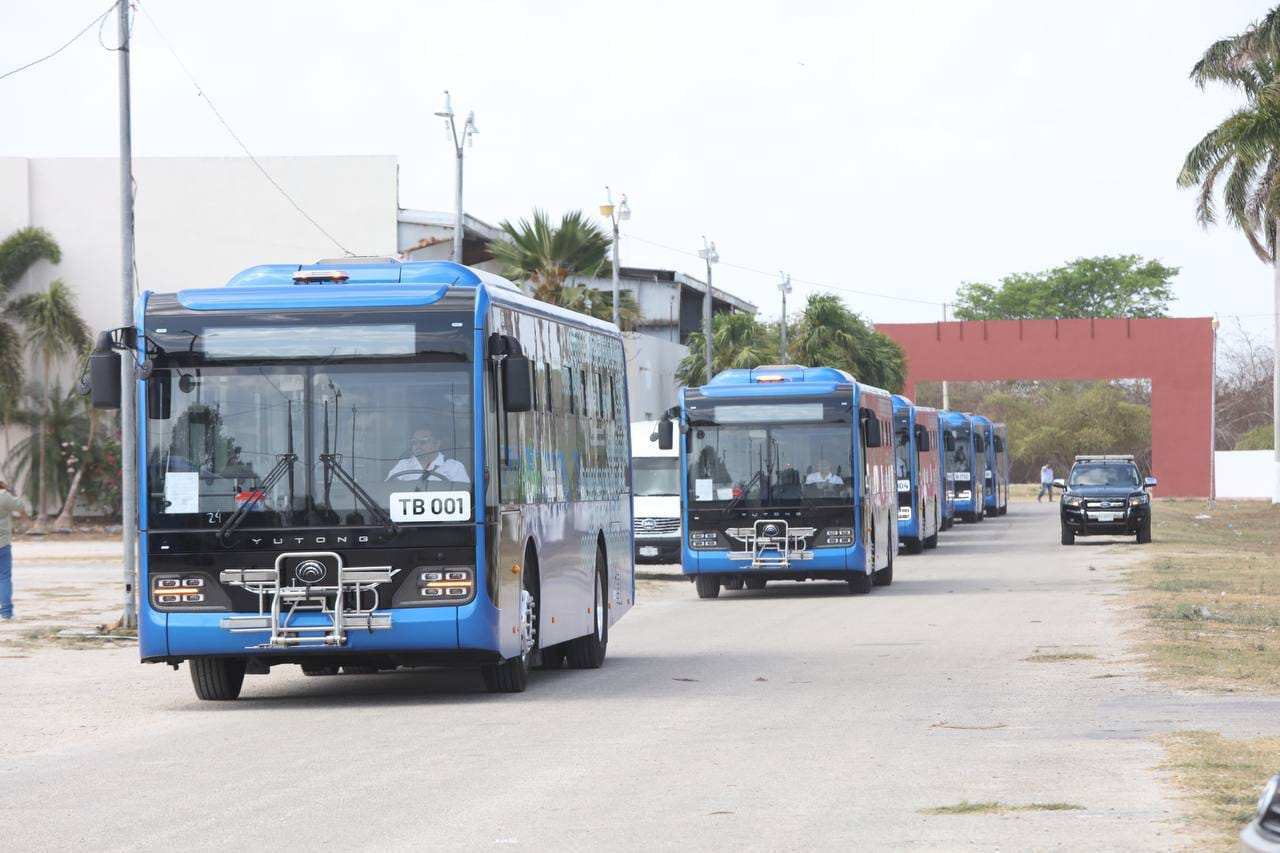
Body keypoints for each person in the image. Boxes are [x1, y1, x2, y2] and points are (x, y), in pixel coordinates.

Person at [386, 427, 470, 484]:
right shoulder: (403, 465)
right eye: (414, 442)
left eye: (424, 441)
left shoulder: (454, 467)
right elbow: (388, 488)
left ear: (437, 444)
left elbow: (464, 495)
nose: (418, 446)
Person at [0, 478, 24, 620]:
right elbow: (20, 505)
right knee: (4, 578)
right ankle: (7, 613)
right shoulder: (3, 496)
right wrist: (9, 490)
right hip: (2, 543)